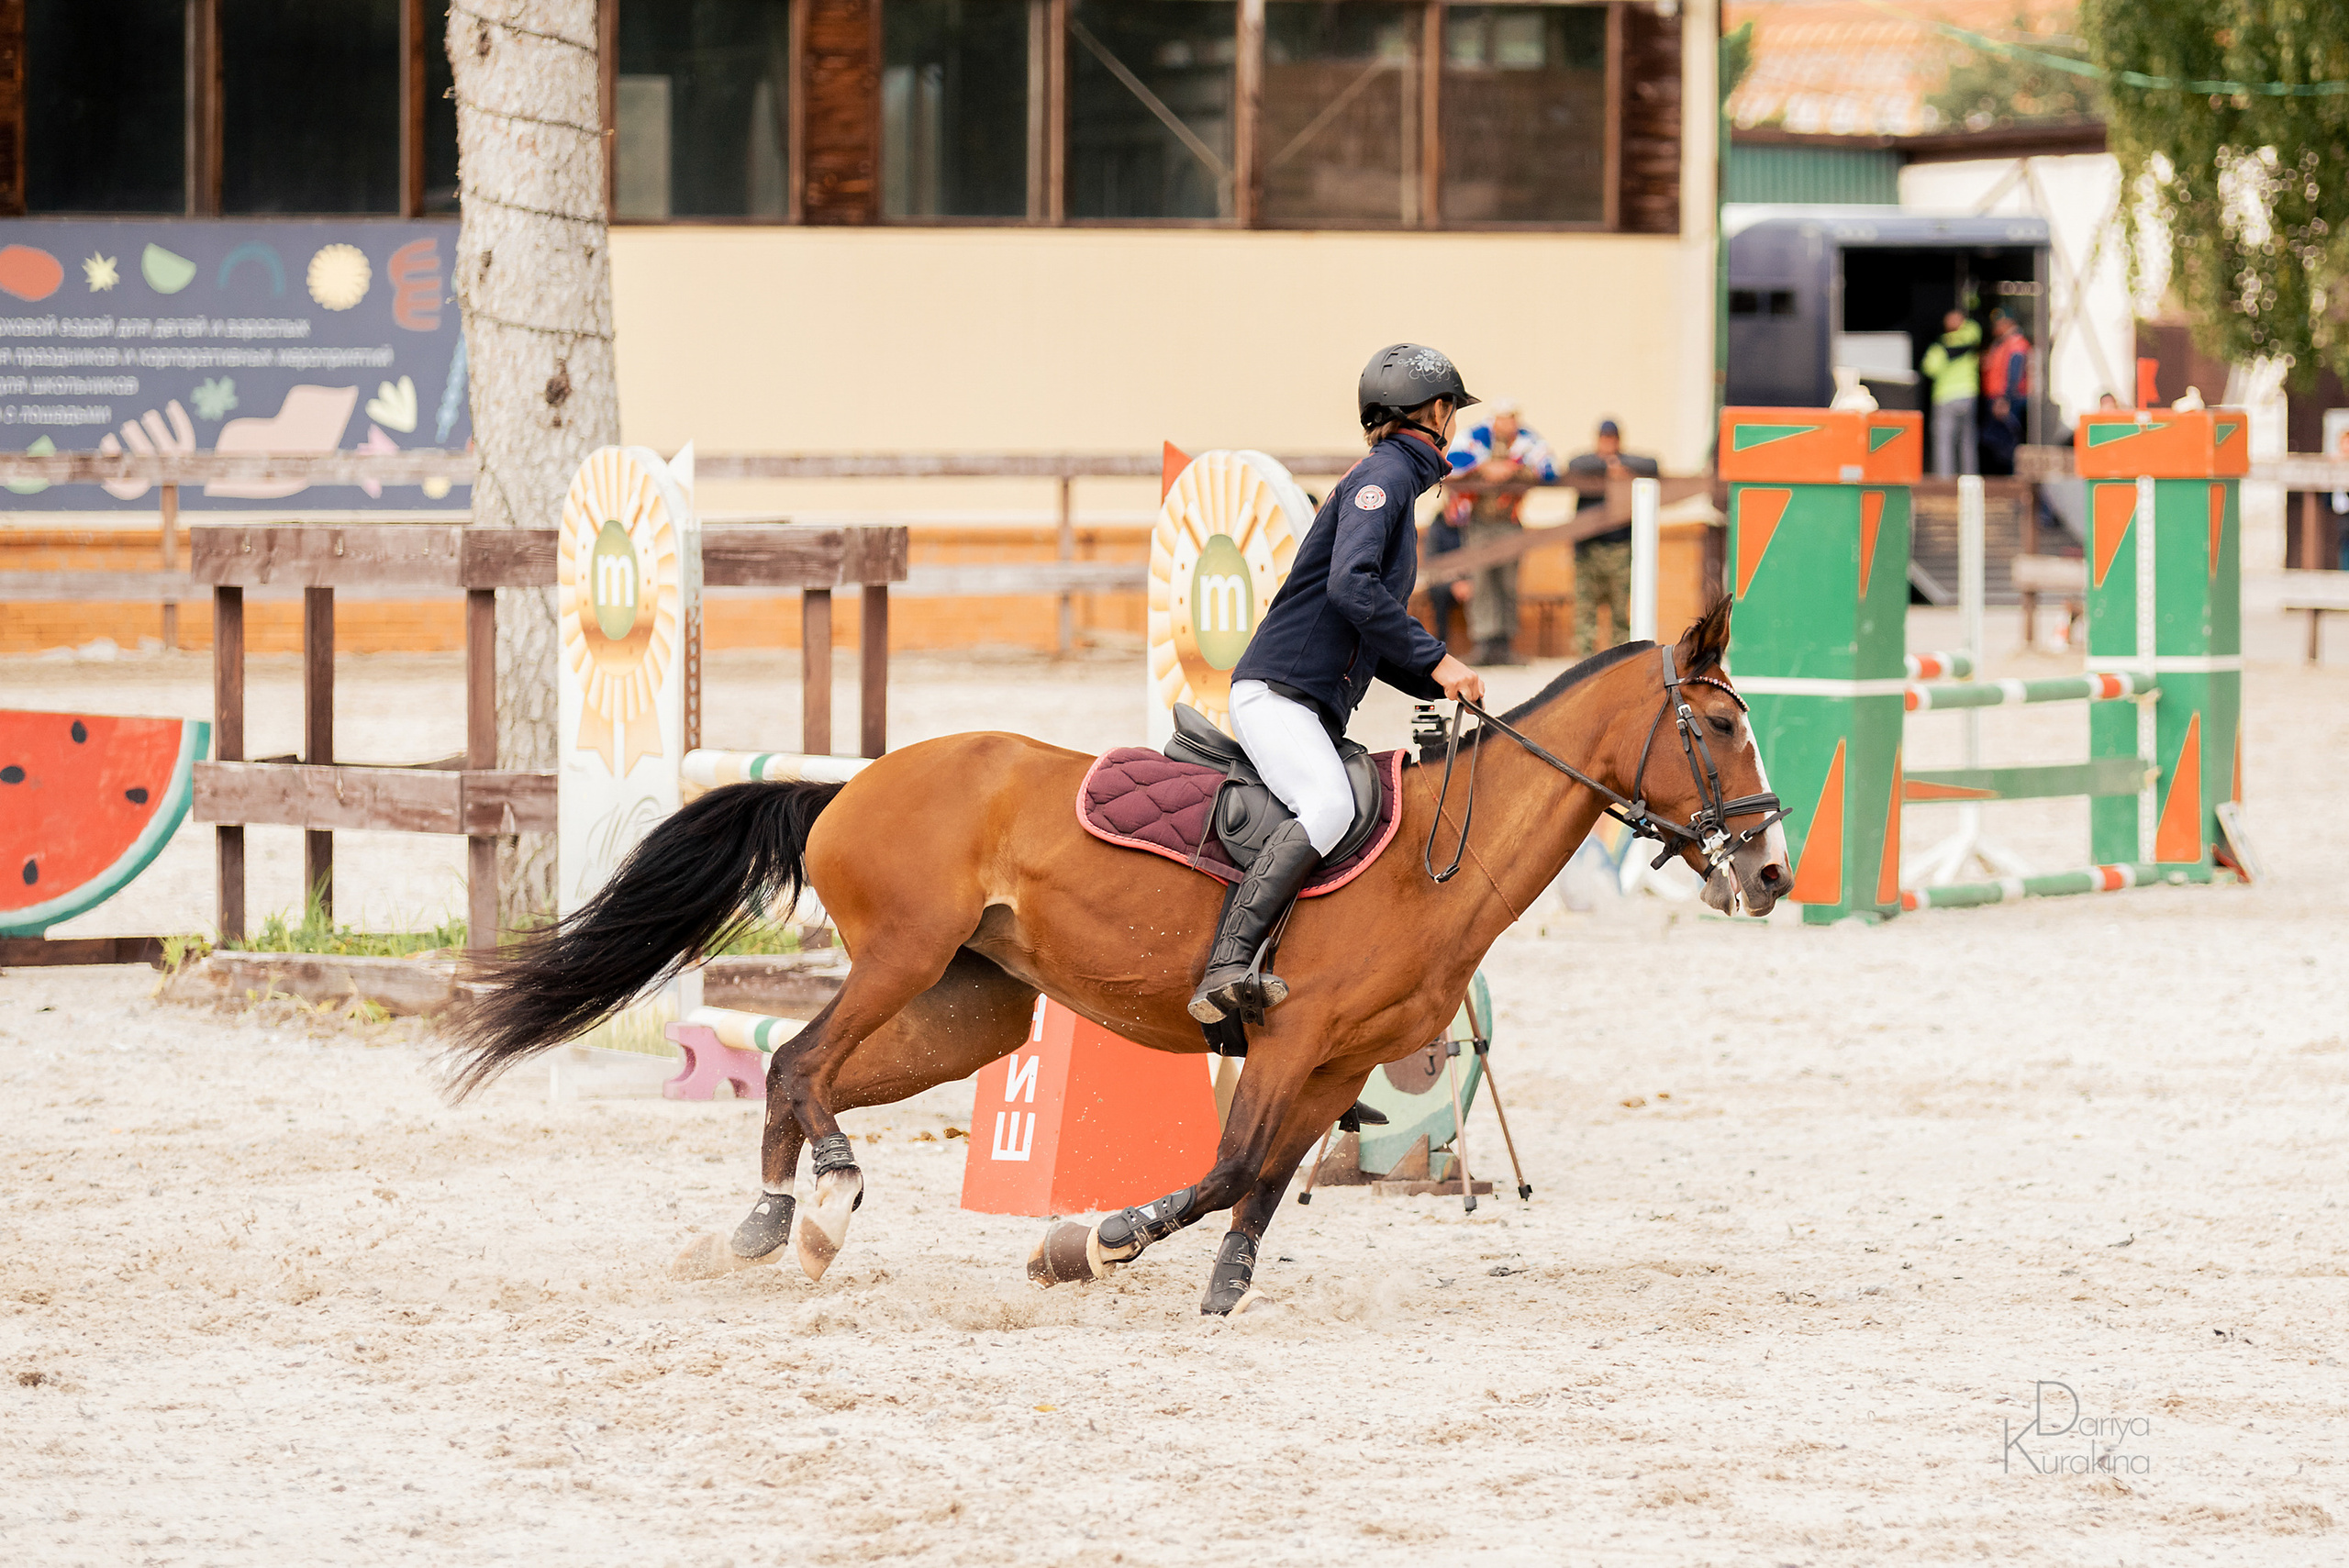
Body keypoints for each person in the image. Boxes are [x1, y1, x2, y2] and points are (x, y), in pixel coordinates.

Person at [1194, 343, 1488, 1024]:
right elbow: (1350, 588)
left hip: (1307, 703)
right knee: (1328, 807)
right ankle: (1227, 964)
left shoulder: (1392, 480)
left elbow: (1368, 631)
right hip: (1278, 693)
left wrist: (1434, 679)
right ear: (1435, 410)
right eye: (1453, 411)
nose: (1454, 423)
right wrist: (1439, 659)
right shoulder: (1384, 478)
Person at [1442, 399, 1558, 665]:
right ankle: (1483, 644)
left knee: (1508, 583)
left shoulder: (1527, 442)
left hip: (1509, 523)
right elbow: (1451, 463)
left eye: (1512, 418)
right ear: (1494, 420)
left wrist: (1513, 469)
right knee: (1481, 581)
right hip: (1479, 522)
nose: (1508, 423)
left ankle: (1505, 645)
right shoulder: (1474, 439)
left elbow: (1549, 468)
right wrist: (1484, 467)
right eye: (1503, 418)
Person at [1563, 418, 1659, 656]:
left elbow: (1653, 464)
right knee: (1585, 610)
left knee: (1620, 611)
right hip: (1589, 549)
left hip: (1619, 547)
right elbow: (1573, 464)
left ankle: (1620, 660)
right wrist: (1607, 467)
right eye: (1604, 439)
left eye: (1612, 439)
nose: (1608, 444)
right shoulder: (1588, 465)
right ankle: (1585, 661)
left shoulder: (1628, 464)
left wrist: (1620, 466)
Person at [1922, 309, 1982, 475]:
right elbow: (1975, 329)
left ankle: (1945, 478)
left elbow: (1929, 368)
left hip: (1946, 396)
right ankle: (1970, 477)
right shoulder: (1970, 337)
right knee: (1967, 440)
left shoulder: (1940, 346)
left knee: (1944, 440)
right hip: (1967, 394)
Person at [1980, 309, 2032, 473]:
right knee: (1995, 440)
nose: (1996, 328)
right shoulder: (2001, 343)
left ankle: (2012, 476)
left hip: (2009, 399)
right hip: (1997, 397)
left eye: (1999, 324)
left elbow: (2014, 374)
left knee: (2007, 442)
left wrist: (2005, 399)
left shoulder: (2016, 343)